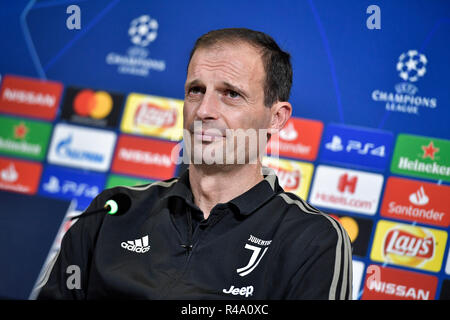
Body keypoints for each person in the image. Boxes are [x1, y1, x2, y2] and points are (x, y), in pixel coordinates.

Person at [36, 28, 352, 300]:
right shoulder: (111, 211)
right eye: (195, 91)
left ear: (276, 117)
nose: (204, 110)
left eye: (231, 94)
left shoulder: (314, 239)